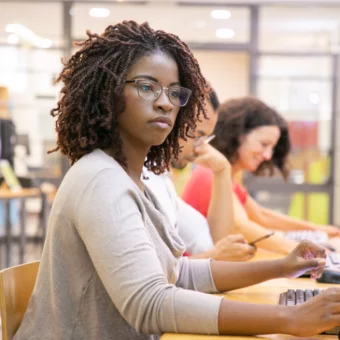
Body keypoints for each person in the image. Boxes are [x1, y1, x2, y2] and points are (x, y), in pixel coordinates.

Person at [13, 21, 340, 340]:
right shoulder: (100, 179)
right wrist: (291, 317)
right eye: (146, 86)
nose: (165, 102)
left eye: (174, 92)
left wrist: (281, 266)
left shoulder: (132, 178)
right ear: (109, 92)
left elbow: (177, 273)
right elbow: (149, 303)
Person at [182, 96, 340, 254]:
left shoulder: (228, 179)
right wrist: (305, 250)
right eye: (264, 144)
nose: (268, 155)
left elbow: (262, 215)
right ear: (237, 135)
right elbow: (240, 226)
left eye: (272, 148)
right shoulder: (210, 174)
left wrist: (319, 230)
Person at [144, 89, 256, 262]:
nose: (199, 148)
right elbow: (149, 273)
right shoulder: (142, 177)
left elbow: (212, 243)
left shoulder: (161, 179)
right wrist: (214, 255)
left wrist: (222, 170)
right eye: (197, 135)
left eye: (205, 139)